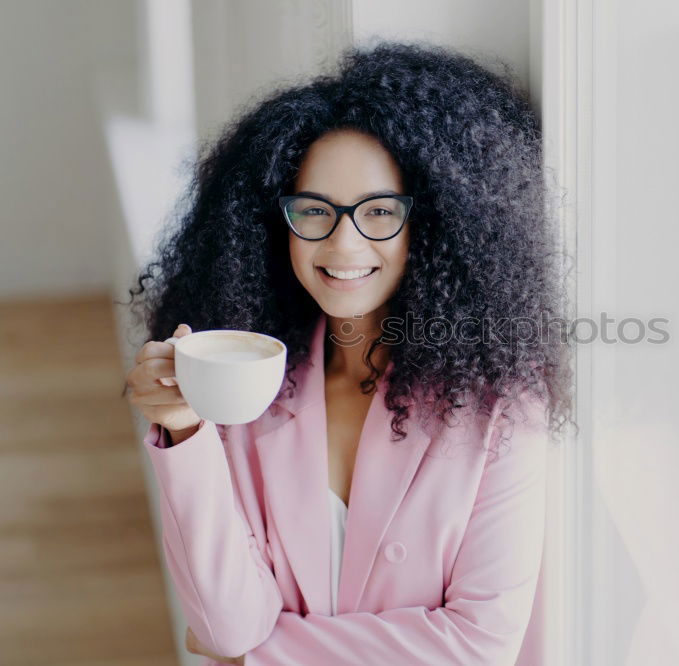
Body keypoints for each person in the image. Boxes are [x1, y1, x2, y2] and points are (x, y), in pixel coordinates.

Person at [121, 39, 575, 665]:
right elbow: (227, 626)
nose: (343, 243)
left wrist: (261, 657)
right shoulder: (249, 385)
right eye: (314, 210)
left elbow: (476, 646)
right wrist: (183, 430)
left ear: (437, 224)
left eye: (380, 211)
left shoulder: (501, 405)